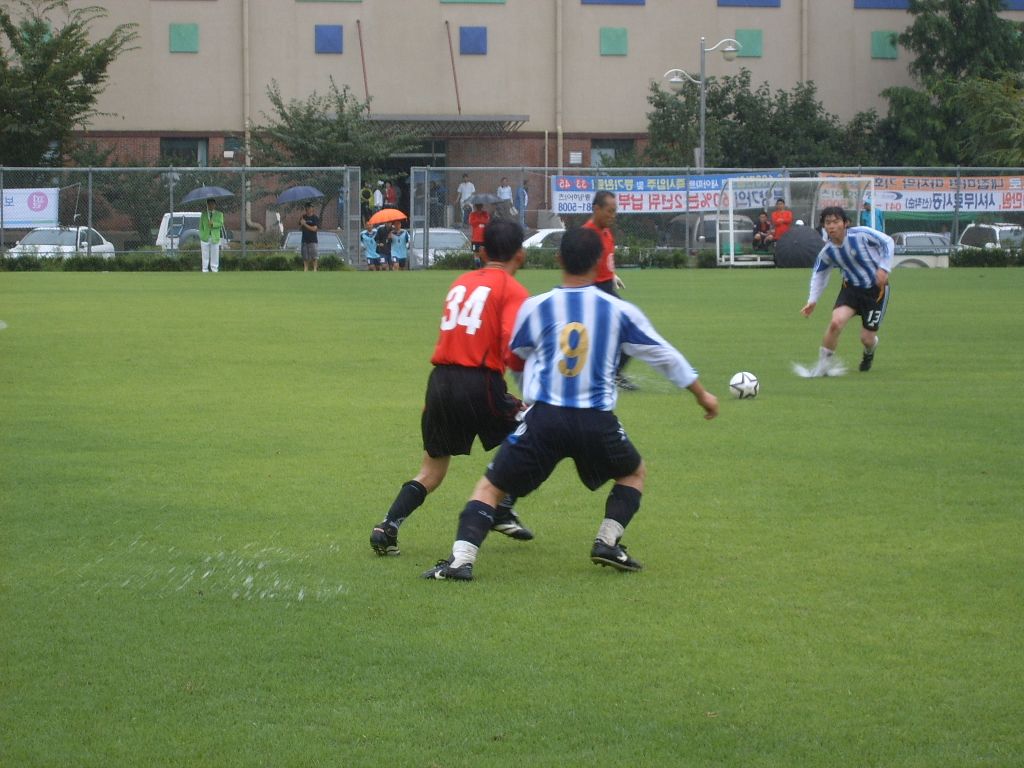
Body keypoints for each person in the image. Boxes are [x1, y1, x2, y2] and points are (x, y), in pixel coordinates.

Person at [422, 226, 719, 581]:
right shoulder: (619, 311)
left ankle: (460, 561)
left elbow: (516, 357)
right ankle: (607, 541)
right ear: (599, 263)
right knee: (632, 473)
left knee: (491, 487)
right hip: (596, 421)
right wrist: (702, 394)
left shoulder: (537, 306)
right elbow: (664, 356)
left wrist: (530, 381)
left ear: (559, 258)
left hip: (545, 419)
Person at [371, 219, 535, 557]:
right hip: (478, 381)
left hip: (440, 381)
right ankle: (501, 506)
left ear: (483, 251)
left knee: (431, 471)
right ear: (521, 254)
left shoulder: (460, 282)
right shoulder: (512, 290)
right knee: (538, 430)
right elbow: (513, 348)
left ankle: (388, 526)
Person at [799, 205, 894, 376]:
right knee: (835, 323)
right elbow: (819, 275)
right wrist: (812, 300)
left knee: (867, 339)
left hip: (876, 292)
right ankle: (823, 366)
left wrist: (884, 268)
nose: (831, 226)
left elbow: (887, 242)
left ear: (845, 223)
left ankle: (869, 352)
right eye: (827, 223)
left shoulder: (861, 234)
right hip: (851, 290)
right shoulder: (827, 252)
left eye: (836, 222)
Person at [583, 191, 634, 390]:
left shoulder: (606, 232)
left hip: (606, 288)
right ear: (596, 209)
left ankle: (614, 374)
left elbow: (605, 261)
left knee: (629, 330)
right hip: (593, 292)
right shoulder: (587, 235)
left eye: (615, 211)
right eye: (609, 211)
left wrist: (613, 275)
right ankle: (604, 376)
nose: (613, 215)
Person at [199, 197, 225, 273]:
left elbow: (221, 223)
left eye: (212, 204)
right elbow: (200, 226)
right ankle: (205, 269)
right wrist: (201, 235)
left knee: (215, 254)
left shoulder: (219, 214)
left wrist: (213, 224)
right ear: (207, 205)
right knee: (205, 254)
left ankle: (214, 269)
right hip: (205, 237)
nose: (211, 206)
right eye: (209, 204)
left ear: (215, 205)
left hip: (215, 237)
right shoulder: (204, 214)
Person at [299, 202, 320, 272]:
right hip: (304, 240)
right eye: (307, 207)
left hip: (313, 240)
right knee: (305, 257)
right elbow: (300, 228)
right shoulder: (303, 217)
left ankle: (315, 269)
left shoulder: (315, 218)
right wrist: (301, 224)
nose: (308, 208)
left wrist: (304, 224)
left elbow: (314, 229)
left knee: (314, 256)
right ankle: (305, 269)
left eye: (310, 207)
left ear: (312, 209)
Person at [468, 202, 490, 267]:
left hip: (484, 238)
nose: (479, 207)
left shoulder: (485, 214)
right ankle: (478, 266)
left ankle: (484, 266)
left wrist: (478, 221)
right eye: (477, 206)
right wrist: (480, 221)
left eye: (480, 206)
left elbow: (487, 221)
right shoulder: (472, 214)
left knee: (484, 253)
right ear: (475, 206)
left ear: (482, 206)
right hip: (475, 238)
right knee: (476, 253)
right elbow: (472, 222)